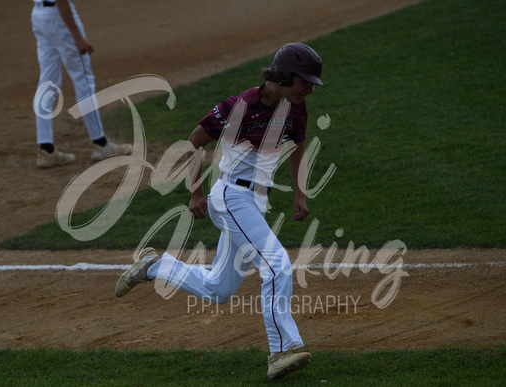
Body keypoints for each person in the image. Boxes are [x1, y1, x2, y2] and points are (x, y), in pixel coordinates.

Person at [115, 43, 325, 380]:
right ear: (286, 76)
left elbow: (299, 147)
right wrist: (196, 192)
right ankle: (280, 351)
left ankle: (154, 267)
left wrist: (300, 192)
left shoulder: (297, 110)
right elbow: (194, 142)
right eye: (306, 81)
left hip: (256, 202)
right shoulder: (240, 106)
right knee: (277, 265)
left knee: (219, 289)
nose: (311, 89)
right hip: (231, 197)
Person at [31, 0, 131, 168]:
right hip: (59, 17)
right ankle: (101, 144)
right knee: (83, 79)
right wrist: (76, 36)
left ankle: (46, 149)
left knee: (47, 82)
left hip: (39, 15)